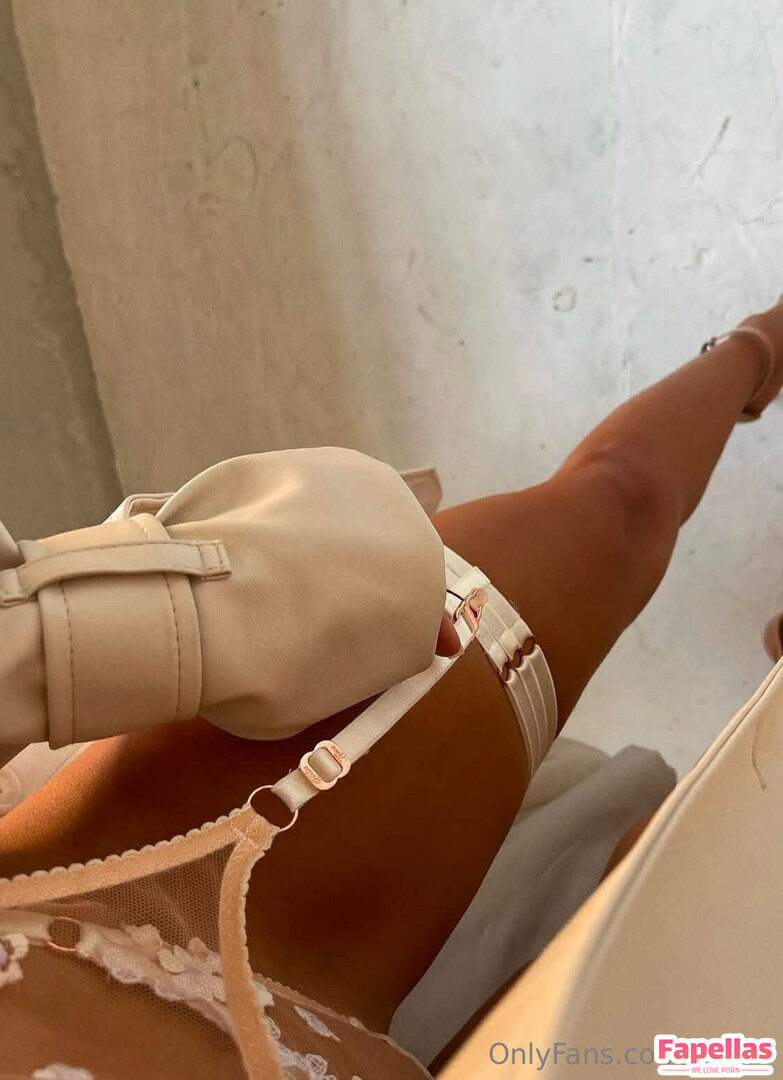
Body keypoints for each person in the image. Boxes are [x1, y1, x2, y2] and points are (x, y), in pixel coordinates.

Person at [1, 294, 782, 1078]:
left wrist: (92, 632)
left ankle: (758, 348)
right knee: (697, 882)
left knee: (612, 509)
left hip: (133, 868)